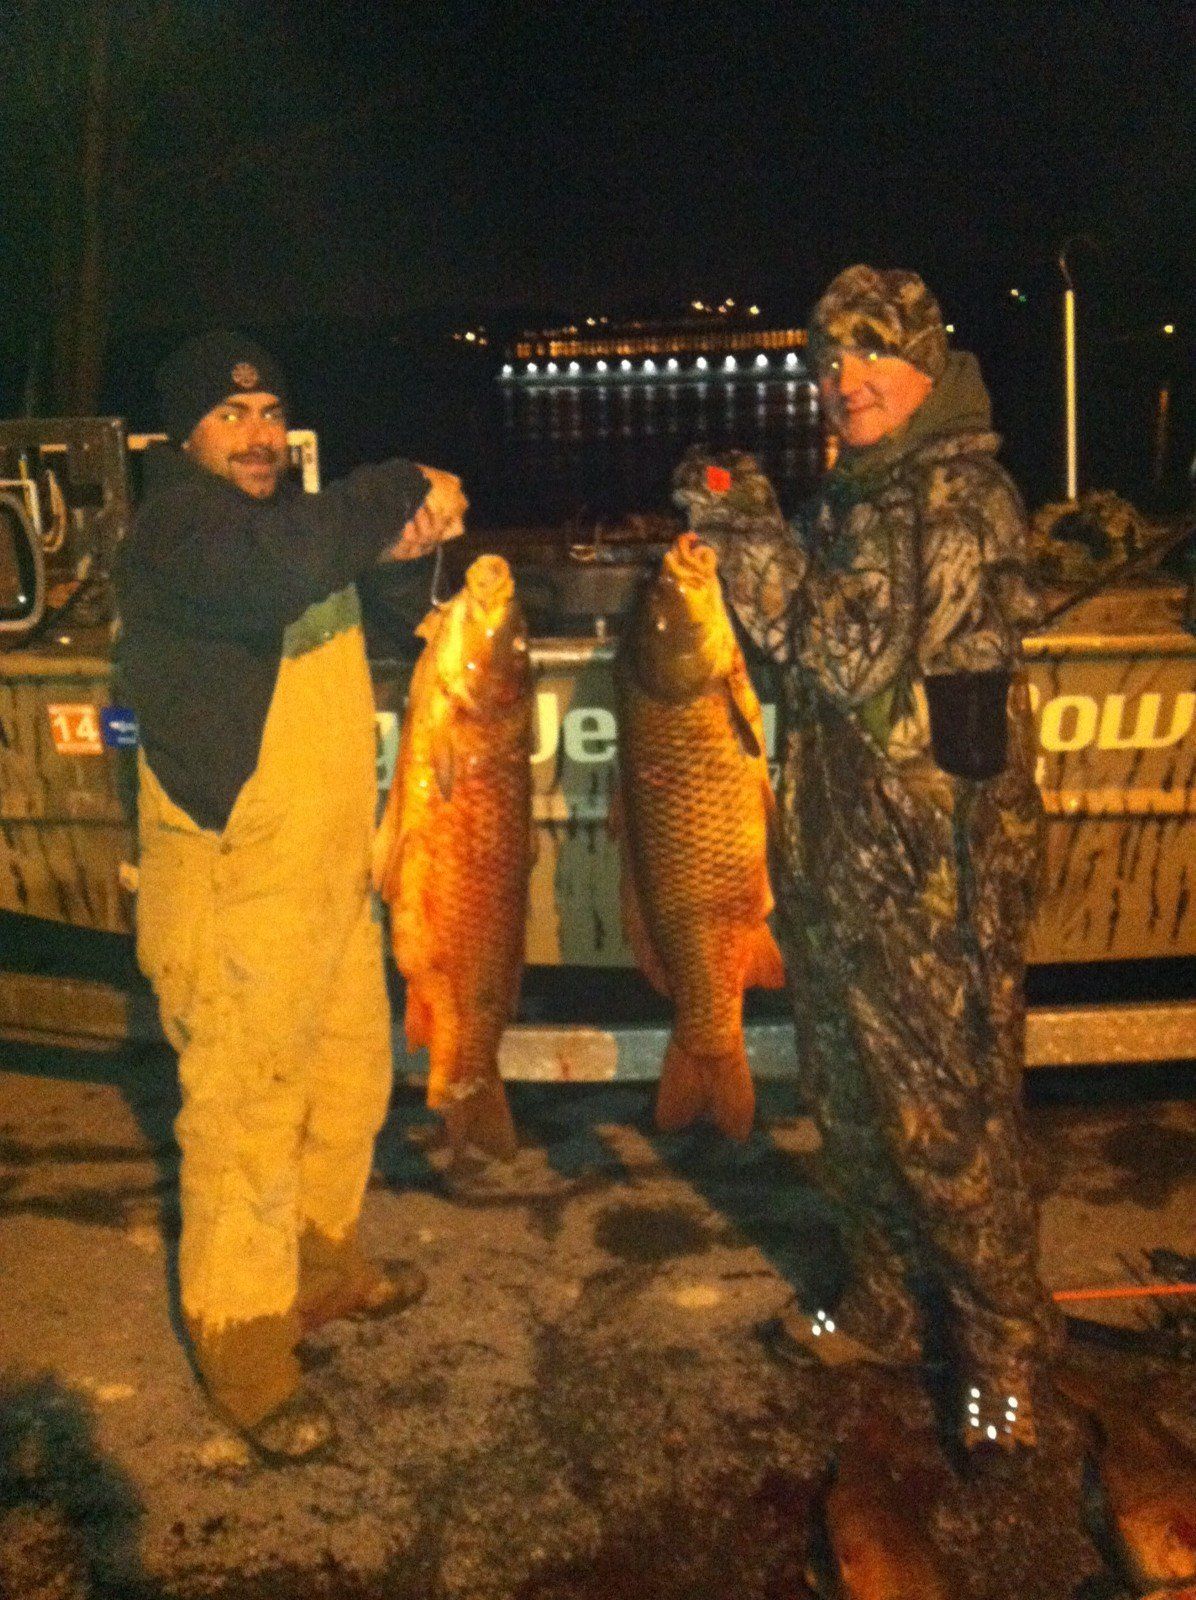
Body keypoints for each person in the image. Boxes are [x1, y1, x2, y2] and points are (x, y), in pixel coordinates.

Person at [674, 266, 1062, 1454]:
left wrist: (741, 528)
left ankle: (1004, 1358)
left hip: (930, 883)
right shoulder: (857, 497)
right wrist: (730, 555)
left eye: (867, 357)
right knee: (847, 1109)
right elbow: (803, 658)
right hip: (842, 868)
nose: (842, 383)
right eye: (824, 364)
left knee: (946, 1125)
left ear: (925, 362)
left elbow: (841, 652)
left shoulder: (955, 498)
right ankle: (889, 1305)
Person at [115, 331, 467, 1464]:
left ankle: (322, 1273)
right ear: (186, 435)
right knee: (244, 1124)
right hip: (232, 889)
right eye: (232, 417)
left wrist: (411, 549)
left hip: (324, 876)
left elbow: (361, 601)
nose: (258, 435)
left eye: (269, 414)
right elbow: (267, 574)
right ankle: (248, 1353)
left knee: (346, 1086)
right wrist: (399, 484)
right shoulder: (179, 527)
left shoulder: (288, 530)